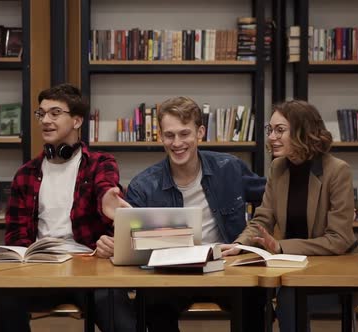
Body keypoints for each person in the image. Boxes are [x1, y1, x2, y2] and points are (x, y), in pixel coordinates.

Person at [96, 96, 267, 332]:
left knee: (255, 297)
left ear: (200, 132)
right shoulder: (143, 185)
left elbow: (271, 203)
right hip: (171, 275)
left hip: (225, 268)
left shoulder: (229, 167)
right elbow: (124, 241)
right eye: (169, 135)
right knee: (153, 302)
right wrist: (110, 238)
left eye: (185, 134)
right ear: (160, 137)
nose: (177, 143)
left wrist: (248, 238)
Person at [2, 83, 135, 332]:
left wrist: (108, 197)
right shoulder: (26, 174)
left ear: (76, 121)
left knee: (111, 301)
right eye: (41, 114)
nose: (45, 121)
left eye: (55, 113)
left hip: (88, 268)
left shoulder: (100, 163)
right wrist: (25, 257)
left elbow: (106, 186)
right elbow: (15, 236)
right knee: (2, 300)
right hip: (39, 269)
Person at [221, 100, 358, 332]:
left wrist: (281, 247)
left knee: (288, 297)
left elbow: (338, 239)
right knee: (252, 293)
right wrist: (240, 244)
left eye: (280, 130)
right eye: (270, 130)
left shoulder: (338, 171)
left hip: (336, 274)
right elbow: (263, 219)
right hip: (290, 269)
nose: (271, 137)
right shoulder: (278, 168)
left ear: (303, 132)